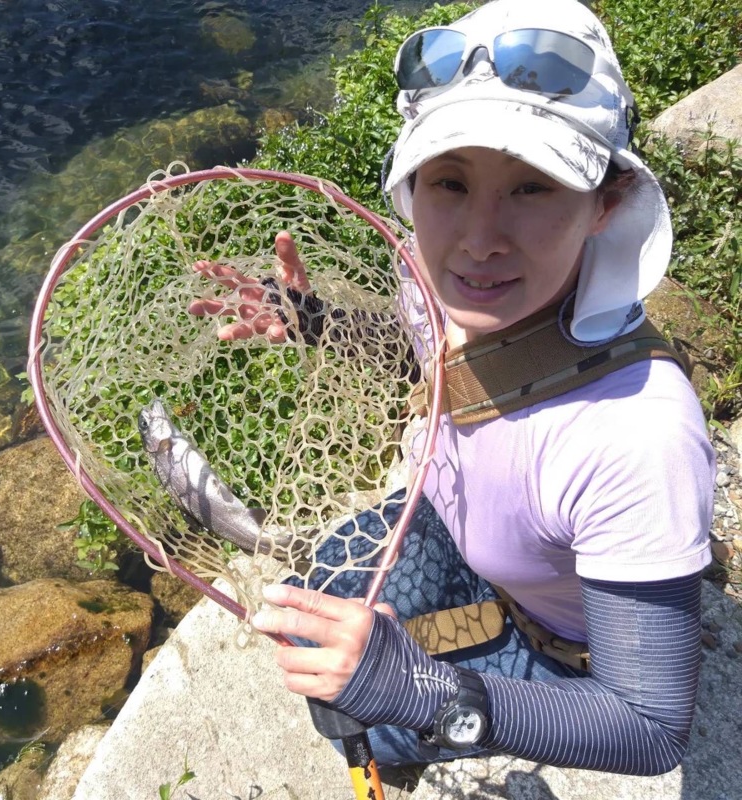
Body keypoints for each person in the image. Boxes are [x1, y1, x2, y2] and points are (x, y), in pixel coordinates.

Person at [188, 0, 715, 776]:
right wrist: (315, 321)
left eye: (533, 187)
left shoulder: (638, 438)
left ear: (606, 203)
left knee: (357, 717)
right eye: (449, 182)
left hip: (555, 644)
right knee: (314, 599)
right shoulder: (437, 281)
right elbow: (431, 363)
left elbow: (650, 727)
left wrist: (427, 693)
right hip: (466, 535)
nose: (478, 239)